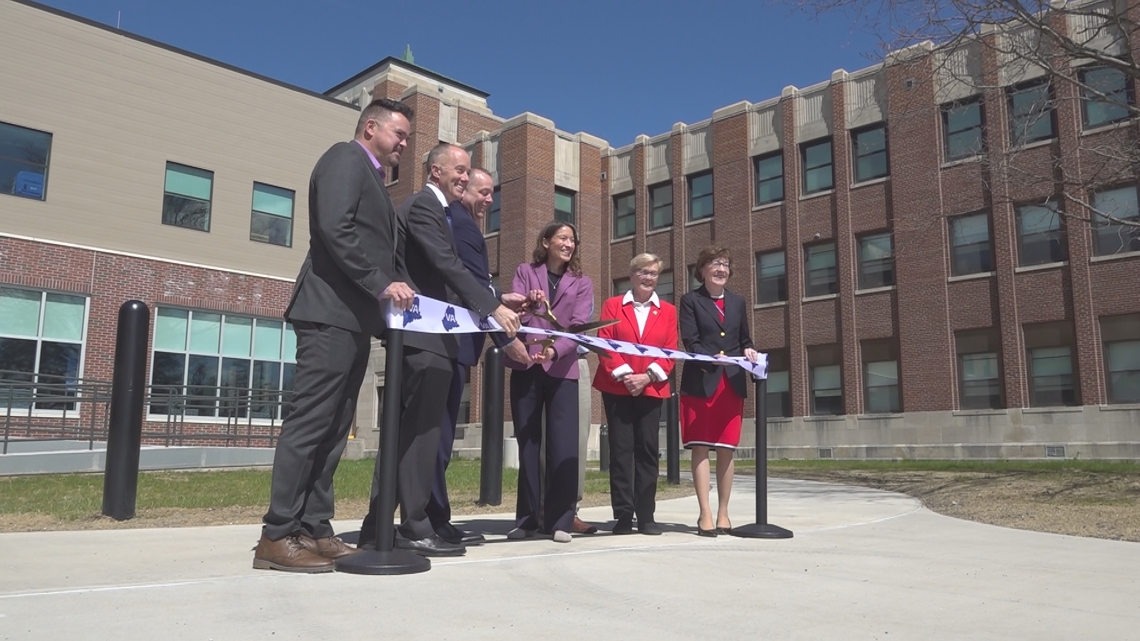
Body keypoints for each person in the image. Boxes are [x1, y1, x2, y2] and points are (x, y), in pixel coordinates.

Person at [254, 98, 417, 573]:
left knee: (334, 428)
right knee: (311, 423)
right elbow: (334, 228)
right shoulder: (344, 158)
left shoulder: (373, 178)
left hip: (354, 319)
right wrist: (380, 283)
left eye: (407, 138)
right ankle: (277, 534)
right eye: (399, 135)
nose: (404, 145)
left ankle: (314, 528)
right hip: (328, 313)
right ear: (371, 128)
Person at [358, 144, 521, 557]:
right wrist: (492, 307)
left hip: (431, 339)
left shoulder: (439, 211)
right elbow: (447, 264)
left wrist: (495, 299)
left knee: (409, 436)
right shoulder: (424, 207)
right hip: (424, 339)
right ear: (435, 171)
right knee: (419, 437)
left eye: (468, 171)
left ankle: (378, 527)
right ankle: (414, 526)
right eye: (459, 170)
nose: (465, 177)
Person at [426, 167, 530, 546]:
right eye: (482, 191)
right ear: (462, 188)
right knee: (435, 439)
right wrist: (507, 339)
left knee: (436, 437)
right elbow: (465, 284)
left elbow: (473, 283)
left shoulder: (463, 223)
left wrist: (500, 296)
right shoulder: (460, 224)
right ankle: (431, 520)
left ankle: (430, 518)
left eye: (492, 193)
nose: (489, 199)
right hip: (448, 344)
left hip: (454, 343)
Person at [504, 221, 594, 543]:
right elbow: (513, 315)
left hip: (562, 368)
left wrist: (555, 351)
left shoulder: (582, 283)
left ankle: (561, 521)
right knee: (529, 445)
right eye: (563, 238)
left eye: (573, 240)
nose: (569, 244)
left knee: (563, 446)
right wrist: (527, 303)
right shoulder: (525, 272)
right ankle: (527, 520)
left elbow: (579, 327)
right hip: (527, 365)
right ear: (546, 242)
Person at [592, 253, 678, 535]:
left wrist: (646, 377)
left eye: (653, 273)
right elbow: (605, 343)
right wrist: (627, 376)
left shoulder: (668, 311)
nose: (648, 277)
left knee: (647, 451)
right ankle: (623, 514)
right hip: (618, 388)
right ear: (631, 275)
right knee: (620, 451)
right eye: (643, 272)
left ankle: (646, 515)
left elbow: (670, 349)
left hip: (651, 388)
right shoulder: (613, 305)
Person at [677, 246, 759, 537]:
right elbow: (691, 341)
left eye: (725, 264)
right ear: (702, 270)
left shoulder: (738, 301)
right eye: (714, 263)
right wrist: (710, 358)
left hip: (731, 383)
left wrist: (749, 350)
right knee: (701, 446)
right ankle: (705, 513)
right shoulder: (690, 300)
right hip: (701, 382)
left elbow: (745, 339)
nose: (721, 269)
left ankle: (724, 512)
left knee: (726, 448)